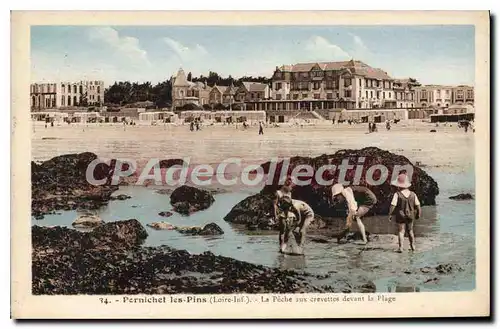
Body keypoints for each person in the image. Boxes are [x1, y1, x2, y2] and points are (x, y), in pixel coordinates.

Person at [388, 173, 422, 253]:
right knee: (410, 231)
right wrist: (418, 214)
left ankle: (401, 248)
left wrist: (390, 214)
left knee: (401, 231)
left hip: (400, 215)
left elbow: (393, 205)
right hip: (411, 215)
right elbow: (418, 205)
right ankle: (413, 246)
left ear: (398, 185)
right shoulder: (413, 194)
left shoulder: (397, 194)